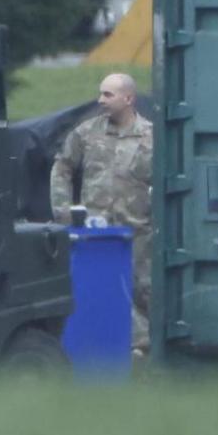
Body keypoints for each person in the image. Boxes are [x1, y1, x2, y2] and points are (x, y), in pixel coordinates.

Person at [51, 73, 153, 356]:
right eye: (101, 93)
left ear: (128, 98)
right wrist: (64, 212)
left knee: (143, 291)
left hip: (137, 231)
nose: (100, 100)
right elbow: (62, 167)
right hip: (97, 232)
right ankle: (119, 349)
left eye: (108, 94)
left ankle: (149, 352)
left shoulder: (151, 136)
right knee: (99, 289)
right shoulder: (87, 133)